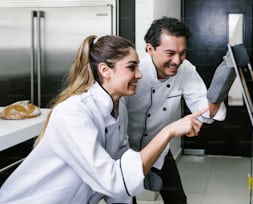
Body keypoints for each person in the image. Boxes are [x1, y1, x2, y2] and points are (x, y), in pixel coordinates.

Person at [0, 35, 207, 204]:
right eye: (132, 67)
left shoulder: (119, 109)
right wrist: (168, 131)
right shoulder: (74, 113)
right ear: (105, 70)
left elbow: (120, 167)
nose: (139, 75)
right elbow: (113, 180)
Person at [123, 17, 227, 204]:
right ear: (150, 49)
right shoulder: (134, 72)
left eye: (182, 53)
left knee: (177, 199)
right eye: (170, 53)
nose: (177, 61)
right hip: (125, 149)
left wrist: (220, 87)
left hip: (159, 146)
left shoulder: (186, 70)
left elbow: (206, 110)